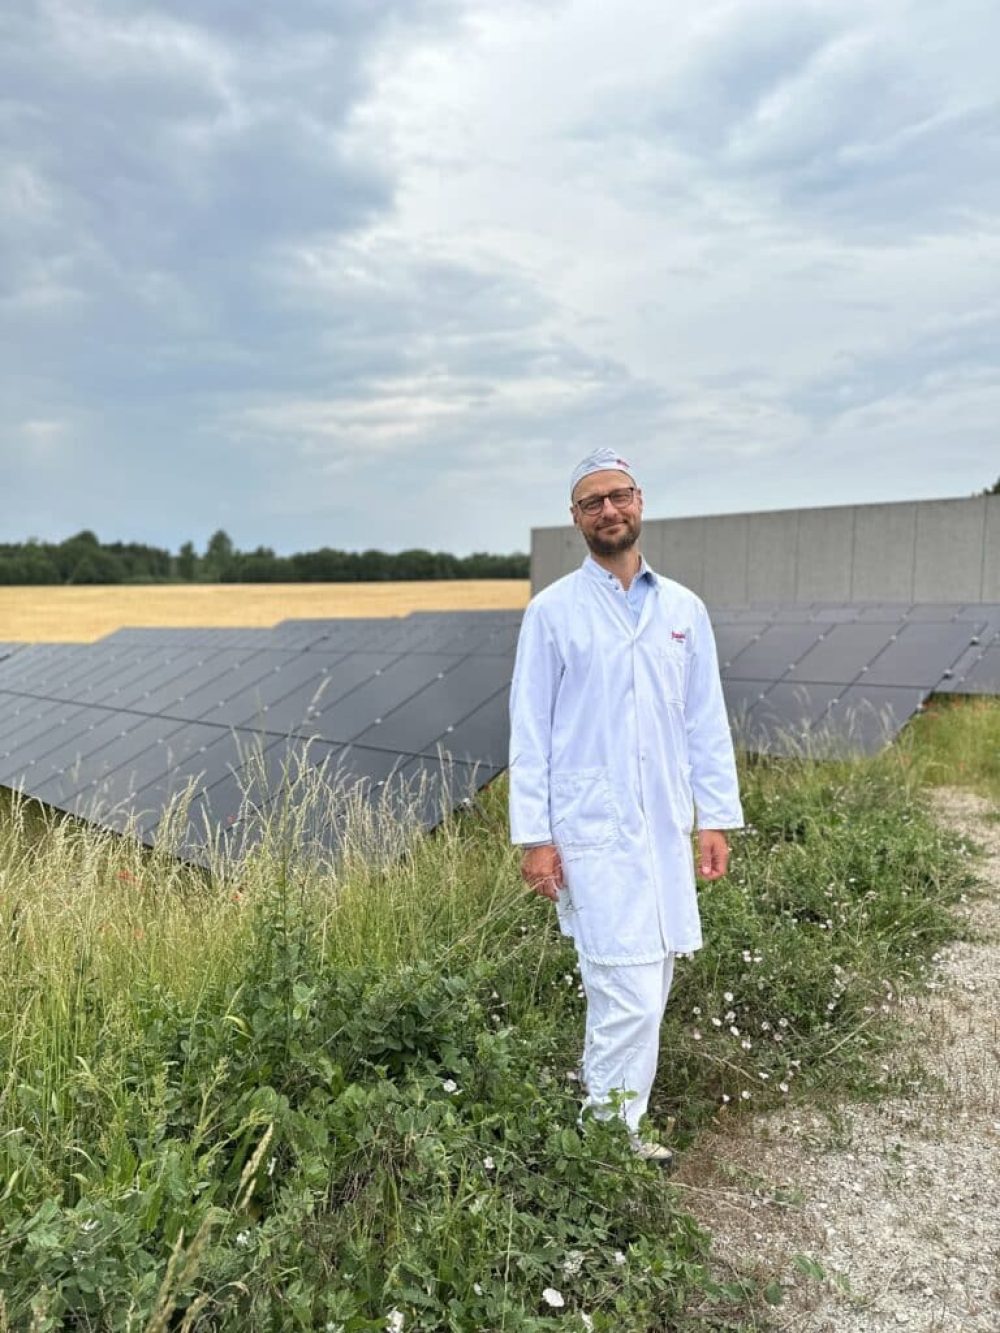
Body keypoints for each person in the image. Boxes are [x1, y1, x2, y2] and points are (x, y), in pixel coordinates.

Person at [508, 448, 743, 1163]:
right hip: (592, 832)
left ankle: (610, 1127)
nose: (608, 510)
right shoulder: (553, 613)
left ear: (640, 501)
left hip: (666, 828)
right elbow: (530, 728)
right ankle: (609, 1142)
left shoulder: (682, 610)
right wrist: (536, 835)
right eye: (591, 502)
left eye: (619, 496)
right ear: (576, 519)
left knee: (648, 982)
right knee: (625, 988)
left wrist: (714, 818)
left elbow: (705, 720)